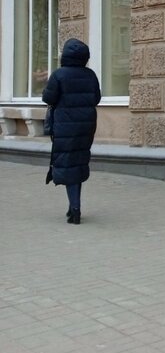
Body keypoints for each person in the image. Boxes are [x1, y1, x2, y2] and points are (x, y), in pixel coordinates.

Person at [42, 38, 101, 224]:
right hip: (86, 126)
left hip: (64, 126)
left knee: (68, 163)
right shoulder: (90, 75)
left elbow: (48, 98)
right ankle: (73, 206)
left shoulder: (59, 75)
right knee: (78, 162)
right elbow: (96, 98)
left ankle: (75, 208)